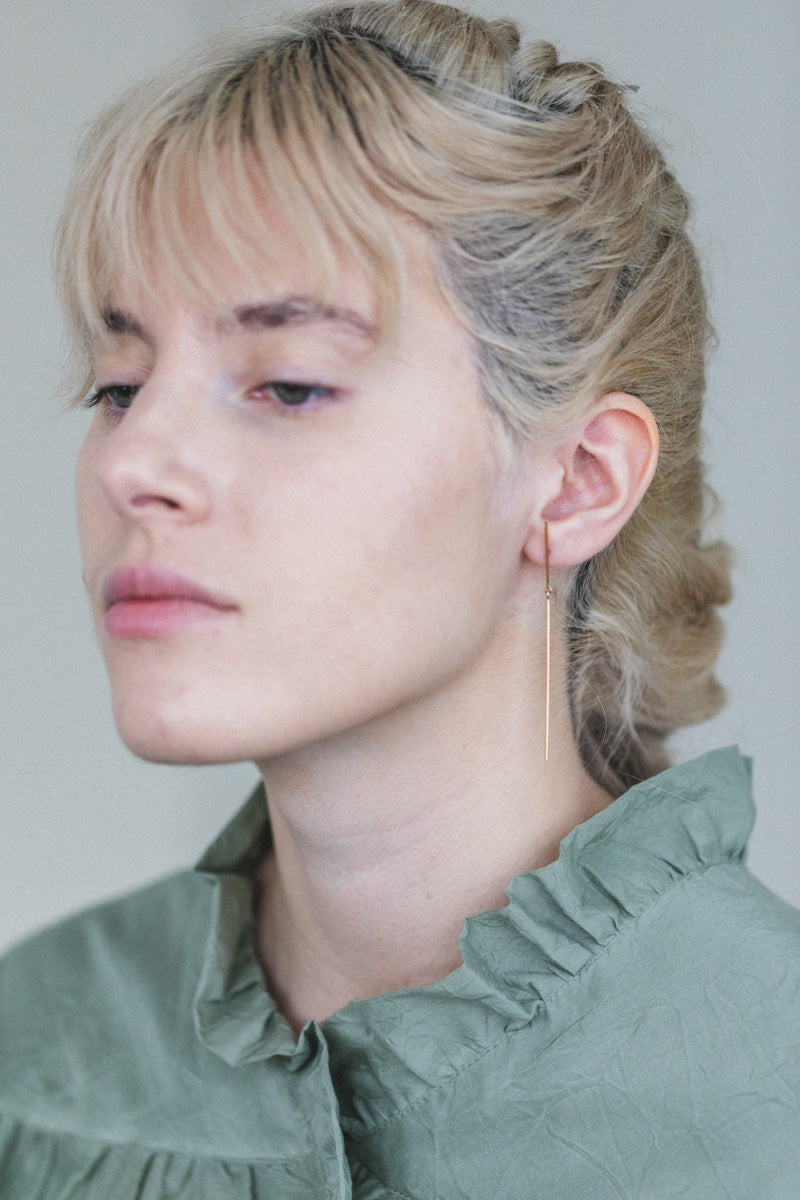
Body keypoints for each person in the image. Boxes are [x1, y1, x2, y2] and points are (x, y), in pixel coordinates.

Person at [1, 1, 799, 1195]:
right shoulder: (33, 1050)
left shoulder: (770, 1096)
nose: (132, 464)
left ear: (577, 482)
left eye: (287, 385)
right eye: (119, 386)